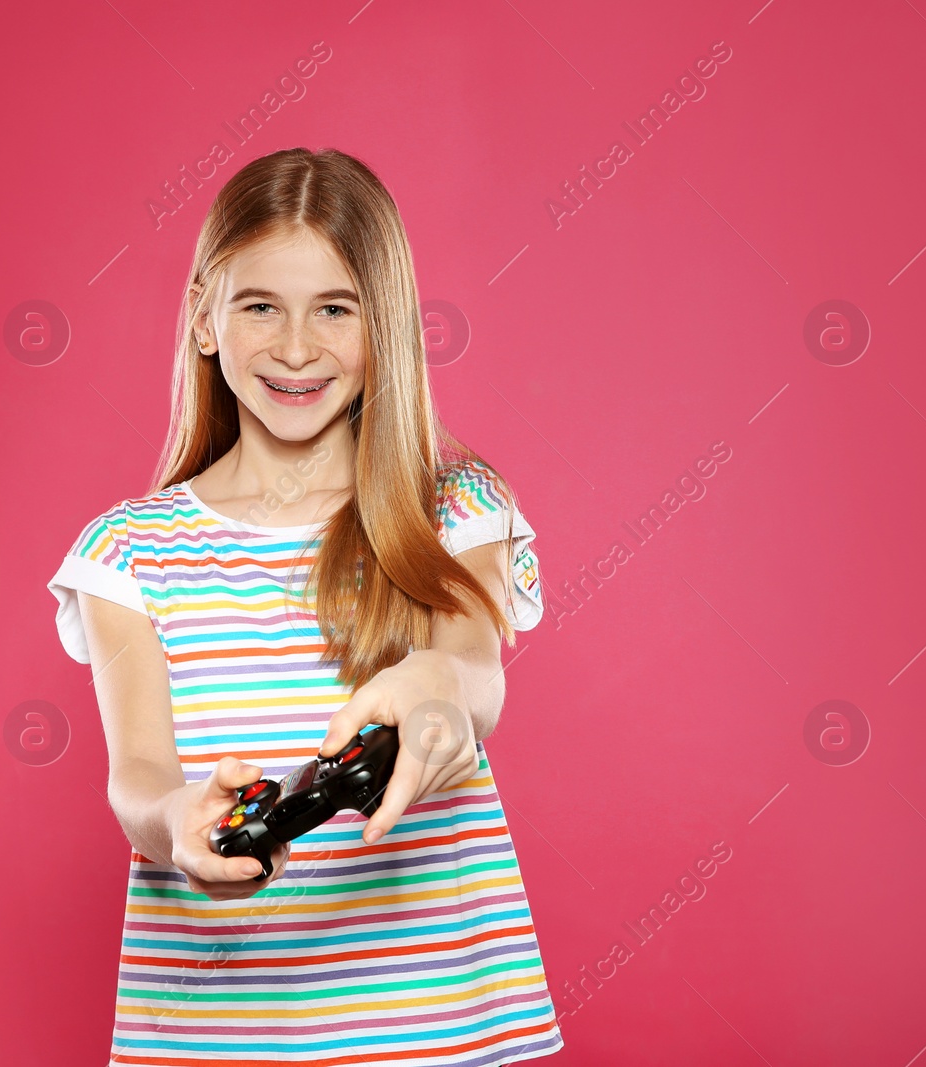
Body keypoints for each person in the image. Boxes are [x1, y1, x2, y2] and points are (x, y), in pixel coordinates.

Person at [46, 146, 564, 1065]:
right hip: (216, 1037)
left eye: (335, 309)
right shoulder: (127, 553)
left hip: (437, 1028)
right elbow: (137, 772)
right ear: (204, 317)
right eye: (260, 308)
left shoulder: (456, 509)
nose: (295, 348)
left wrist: (437, 688)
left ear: (387, 327)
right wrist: (177, 822)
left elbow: (473, 664)